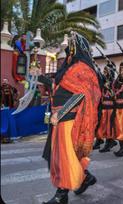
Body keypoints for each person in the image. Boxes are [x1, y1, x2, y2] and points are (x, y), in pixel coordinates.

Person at [37, 32, 102, 204]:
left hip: (69, 119)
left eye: (71, 44)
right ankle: (85, 178)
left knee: (65, 157)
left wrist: (60, 113)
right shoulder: (69, 67)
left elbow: (82, 95)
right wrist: (41, 77)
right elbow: (59, 89)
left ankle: (62, 195)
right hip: (58, 119)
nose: (67, 48)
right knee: (63, 156)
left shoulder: (82, 68)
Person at [95, 64, 117, 152]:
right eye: (104, 71)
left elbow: (115, 95)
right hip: (103, 107)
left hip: (111, 108)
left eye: (106, 72)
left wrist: (109, 88)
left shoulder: (114, 83)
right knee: (102, 126)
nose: (104, 73)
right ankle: (102, 140)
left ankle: (109, 142)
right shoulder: (103, 82)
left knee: (109, 127)